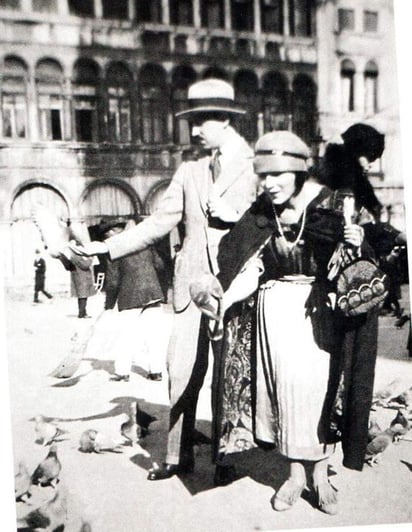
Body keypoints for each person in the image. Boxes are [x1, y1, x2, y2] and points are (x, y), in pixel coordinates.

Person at [70, 78, 258, 481]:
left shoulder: (257, 166)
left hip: (234, 284)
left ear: (223, 119)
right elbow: (158, 223)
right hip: (189, 287)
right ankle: (178, 456)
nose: (191, 132)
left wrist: (234, 215)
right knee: (181, 370)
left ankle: (225, 458)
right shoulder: (189, 170)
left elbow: (267, 224)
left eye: (199, 123)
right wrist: (108, 248)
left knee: (230, 373)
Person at [197, 130, 378, 515]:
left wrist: (356, 241)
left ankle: (322, 473)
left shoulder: (335, 203)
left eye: (277, 176)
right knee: (286, 395)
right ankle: (296, 474)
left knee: (322, 392)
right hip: (273, 313)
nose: (268, 185)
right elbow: (243, 262)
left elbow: (370, 260)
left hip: (319, 309)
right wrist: (221, 296)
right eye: (263, 176)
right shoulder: (263, 211)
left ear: (299, 173)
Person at [315, 123, 407, 470]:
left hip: (341, 288)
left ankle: (338, 436)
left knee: (340, 366)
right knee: (352, 366)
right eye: (368, 156)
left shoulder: (334, 181)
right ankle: (342, 440)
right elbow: (358, 237)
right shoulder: (348, 188)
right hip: (353, 288)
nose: (371, 164)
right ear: (357, 152)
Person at [100, 218, 167, 382]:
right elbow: (159, 265)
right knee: (154, 335)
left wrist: (109, 305)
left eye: (105, 234)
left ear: (112, 232)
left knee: (125, 336)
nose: (104, 239)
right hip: (153, 293)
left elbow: (113, 281)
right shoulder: (143, 242)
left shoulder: (114, 249)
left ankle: (122, 373)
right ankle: (156, 371)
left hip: (130, 296)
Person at [69, 244, 96, 319]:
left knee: (82, 297)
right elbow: (85, 265)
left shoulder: (74, 256)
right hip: (82, 279)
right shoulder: (76, 257)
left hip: (80, 279)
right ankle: (82, 314)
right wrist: (90, 259)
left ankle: (83, 312)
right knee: (83, 297)